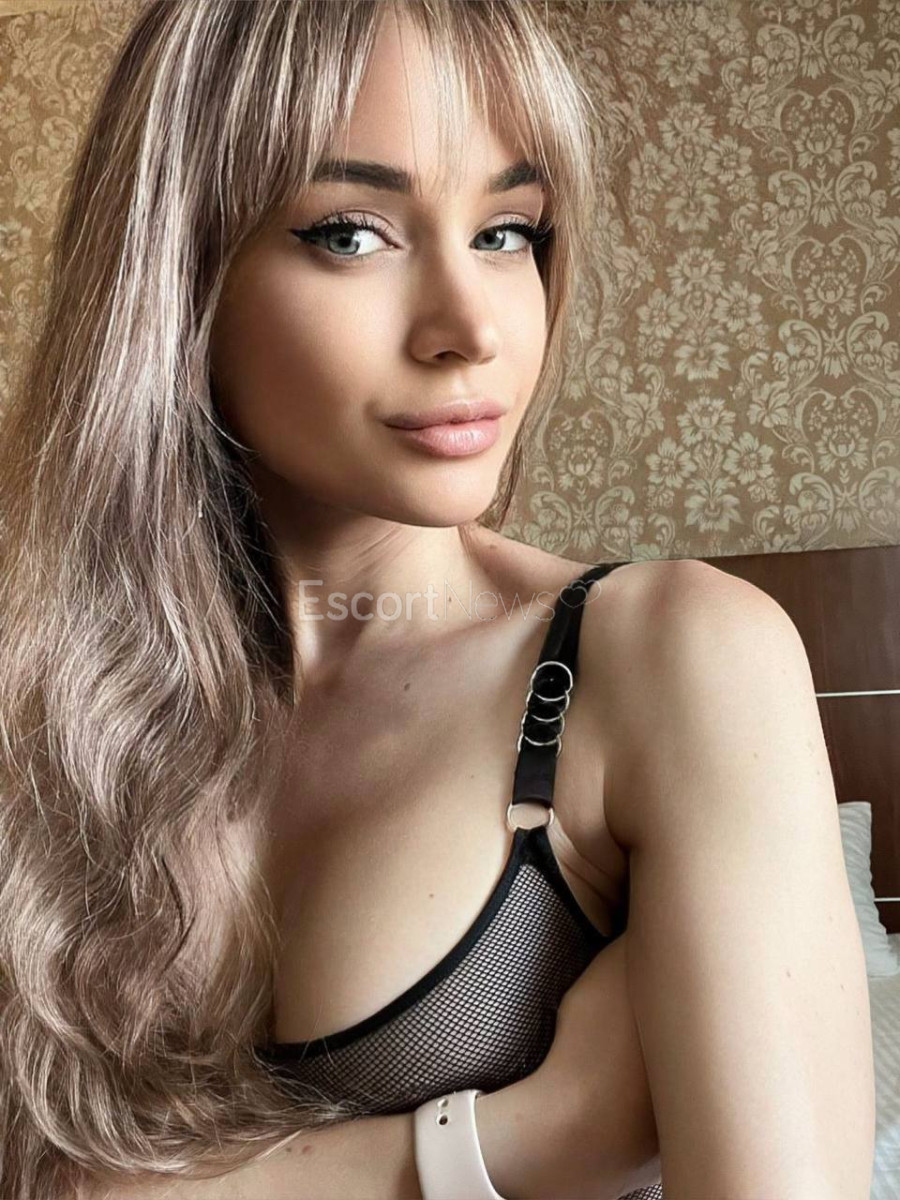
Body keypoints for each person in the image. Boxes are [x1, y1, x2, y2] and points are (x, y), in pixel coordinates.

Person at [0, 2, 874, 1199]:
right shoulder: (42, 707)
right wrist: (507, 1143)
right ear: (179, 272)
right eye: (352, 234)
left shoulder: (674, 658)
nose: (470, 329)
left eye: (508, 232)